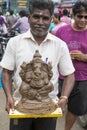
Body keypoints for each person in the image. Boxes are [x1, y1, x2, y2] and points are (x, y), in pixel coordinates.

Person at [0, 0, 75, 130]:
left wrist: (63, 97)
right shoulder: (15, 42)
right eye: (36, 17)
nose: (40, 22)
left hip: (48, 106)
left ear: (51, 20)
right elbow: (6, 71)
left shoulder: (60, 45)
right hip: (20, 104)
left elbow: (69, 75)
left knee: (48, 85)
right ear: (29, 18)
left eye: (45, 18)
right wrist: (9, 96)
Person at [55, 1, 87, 130]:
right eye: (80, 16)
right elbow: (52, 52)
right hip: (62, 77)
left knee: (74, 109)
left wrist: (83, 57)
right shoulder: (61, 31)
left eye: (86, 17)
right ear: (73, 15)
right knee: (58, 106)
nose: (83, 20)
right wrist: (64, 56)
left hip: (82, 79)